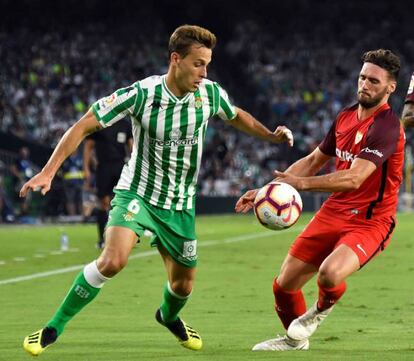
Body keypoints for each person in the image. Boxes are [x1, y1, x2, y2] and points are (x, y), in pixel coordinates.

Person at [20, 25, 293, 356]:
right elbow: (83, 125)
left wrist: (270, 135)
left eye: (207, 64)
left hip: (179, 204)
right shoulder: (142, 95)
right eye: (198, 64)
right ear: (175, 60)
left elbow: (236, 116)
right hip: (137, 193)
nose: (204, 72)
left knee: (183, 286)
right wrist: (48, 172)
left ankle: (168, 316)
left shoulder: (210, 93)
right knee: (112, 260)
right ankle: (52, 328)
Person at [235, 49, 404, 351]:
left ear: (390, 87)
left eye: (374, 81)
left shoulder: (387, 126)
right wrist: (267, 189)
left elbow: (354, 178)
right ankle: (295, 342)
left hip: (370, 220)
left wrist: (300, 184)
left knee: (330, 273)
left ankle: (315, 315)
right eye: (362, 77)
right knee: (283, 285)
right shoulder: (345, 117)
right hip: (334, 211)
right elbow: (314, 159)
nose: (365, 84)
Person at [83, 119, 133, 248]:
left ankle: (127, 236)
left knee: (125, 201)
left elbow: (131, 145)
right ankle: (102, 238)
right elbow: (88, 145)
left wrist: (135, 165)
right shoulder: (100, 122)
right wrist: (86, 168)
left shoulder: (125, 124)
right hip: (103, 167)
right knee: (103, 202)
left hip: (120, 166)